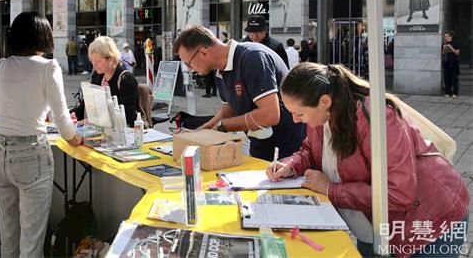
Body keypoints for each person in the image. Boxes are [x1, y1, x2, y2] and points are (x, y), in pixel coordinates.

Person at [266, 62, 469, 258]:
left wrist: (330, 190)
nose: (295, 120)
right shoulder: (322, 114)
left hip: (429, 224)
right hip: (373, 226)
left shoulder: (377, 118)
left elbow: (398, 193)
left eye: (299, 113)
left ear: (324, 101)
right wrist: (290, 165)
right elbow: (311, 151)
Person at [0, 12, 83, 257]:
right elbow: (62, 121)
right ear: (44, 36)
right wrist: (76, 139)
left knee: (8, 231)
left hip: (0, 153)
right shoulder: (48, 67)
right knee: (32, 239)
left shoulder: (1, 66)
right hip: (31, 156)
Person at [174, 25, 304, 161]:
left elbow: (270, 115)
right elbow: (230, 108)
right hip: (261, 141)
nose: (189, 69)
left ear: (203, 52)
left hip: (290, 144)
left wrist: (223, 126)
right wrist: (201, 131)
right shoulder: (220, 70)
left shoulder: (253, 57)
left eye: (188, 63)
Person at [72, 36, 139, 127]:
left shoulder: (126, 79)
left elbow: (128, 116)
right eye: (92, 61)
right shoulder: (97, 75)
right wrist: (68, 116)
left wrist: (94, 121)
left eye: (98, 61)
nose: (94, 65)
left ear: (111, 58)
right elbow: (86, 105)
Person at [442, 30, 460, 98]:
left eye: (447, 36)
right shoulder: (444, 44)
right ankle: (447, 92)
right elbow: (443, 54)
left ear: (451, 36)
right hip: (446, 63)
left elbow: (457, 53)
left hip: (454, 63)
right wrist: (443, 49)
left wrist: (451, 48)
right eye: (445, 36)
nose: (446, 38)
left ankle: (455, 93)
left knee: (454, 79)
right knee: (447, 78)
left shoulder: (455, 43)